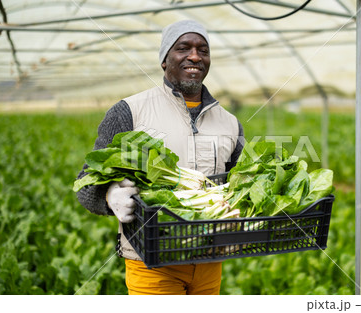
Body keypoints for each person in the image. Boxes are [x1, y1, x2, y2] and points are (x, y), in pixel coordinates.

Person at [76, 20, 244, 295]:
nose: (194, 56)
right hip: (152, 263)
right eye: (183, 48)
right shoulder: (129, 111)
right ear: (165, 60)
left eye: (203, 50)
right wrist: (108, 196)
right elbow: (86, 180)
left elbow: (238, 185)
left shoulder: (230, 122)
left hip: (210, 260)